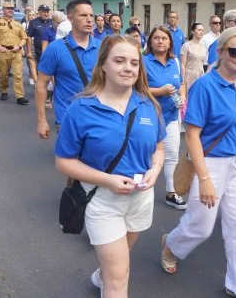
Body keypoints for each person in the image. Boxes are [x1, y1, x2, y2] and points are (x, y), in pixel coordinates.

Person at [55, 35, 165, 297]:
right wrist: (108, 180)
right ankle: (107, 277)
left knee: (120, 257)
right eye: (119, 60)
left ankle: (102, 273)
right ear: (103, 64)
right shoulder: (81, 108)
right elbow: (63, 161)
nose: (128, 68)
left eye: (134, 63)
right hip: (102, 200)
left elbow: (159, 149)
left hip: (141, 198)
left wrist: (155, 169)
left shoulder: (149, 105)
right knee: (118, 279)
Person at [160, 27, 236, 298]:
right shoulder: (205, 85)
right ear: (220, 52)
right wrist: (204, 178)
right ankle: (171, 244)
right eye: (234, 51)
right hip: (211, 163)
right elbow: (192, 135)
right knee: (202, 226)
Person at [36, 0, 102, 138]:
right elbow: (41, 85)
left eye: (91, 15)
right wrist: (42, 120)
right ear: (70, 18)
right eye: (83, 15)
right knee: (69, 160)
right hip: (68, 119)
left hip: (98, 118)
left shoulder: (102, 47)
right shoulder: (55, 49)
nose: (89, 20)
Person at [144, 26, 188, 210]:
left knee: (171, 155)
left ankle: (172, 193)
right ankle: (141, 190)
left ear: (170, 42)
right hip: (146, 117)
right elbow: (135, 88)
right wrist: (159, 92)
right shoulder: (143, 61)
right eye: (156, 38)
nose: (160, 41)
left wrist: (183, 96)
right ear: (150, 42)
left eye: (164, 38)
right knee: (144, 155)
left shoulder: (175, 62)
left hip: (170, 116)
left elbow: (182, 83)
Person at [0, 1, 29, 105]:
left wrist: (20, 46)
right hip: (3, 51)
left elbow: (24, 38)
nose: (10, 10)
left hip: (16, 52)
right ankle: (4, 90)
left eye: (12, 8)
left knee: (18, 74)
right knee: (3, 74)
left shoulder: (18, 24)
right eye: (8, 8)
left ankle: (20, 96)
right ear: (3, 10)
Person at [181, 22, 207, 92]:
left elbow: (203, 64)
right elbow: (183, 64)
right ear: (193, 31)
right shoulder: (186, 46)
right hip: (189, 76)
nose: (201, 32)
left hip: (200, 75)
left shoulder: (203, 47)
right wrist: (182, 79)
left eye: (203, 30)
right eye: (199, 30)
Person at [22, 10, 38, 86]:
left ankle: (36, 77)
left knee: (37, 62)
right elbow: (22, 36)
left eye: (33, 15)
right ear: (28, 17)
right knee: (30, 62)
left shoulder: (37, 23)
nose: (32, 17)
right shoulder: (25, 25)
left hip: (36, 44)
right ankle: (32, 77)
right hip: (28, 45)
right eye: (30, 15)